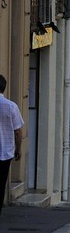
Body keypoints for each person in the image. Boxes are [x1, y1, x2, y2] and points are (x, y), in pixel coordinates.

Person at [0, 74, 24, 214]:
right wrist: (18, 149)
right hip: (5, 151)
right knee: (1, 183)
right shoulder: (11, 106)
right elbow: (18, 132)